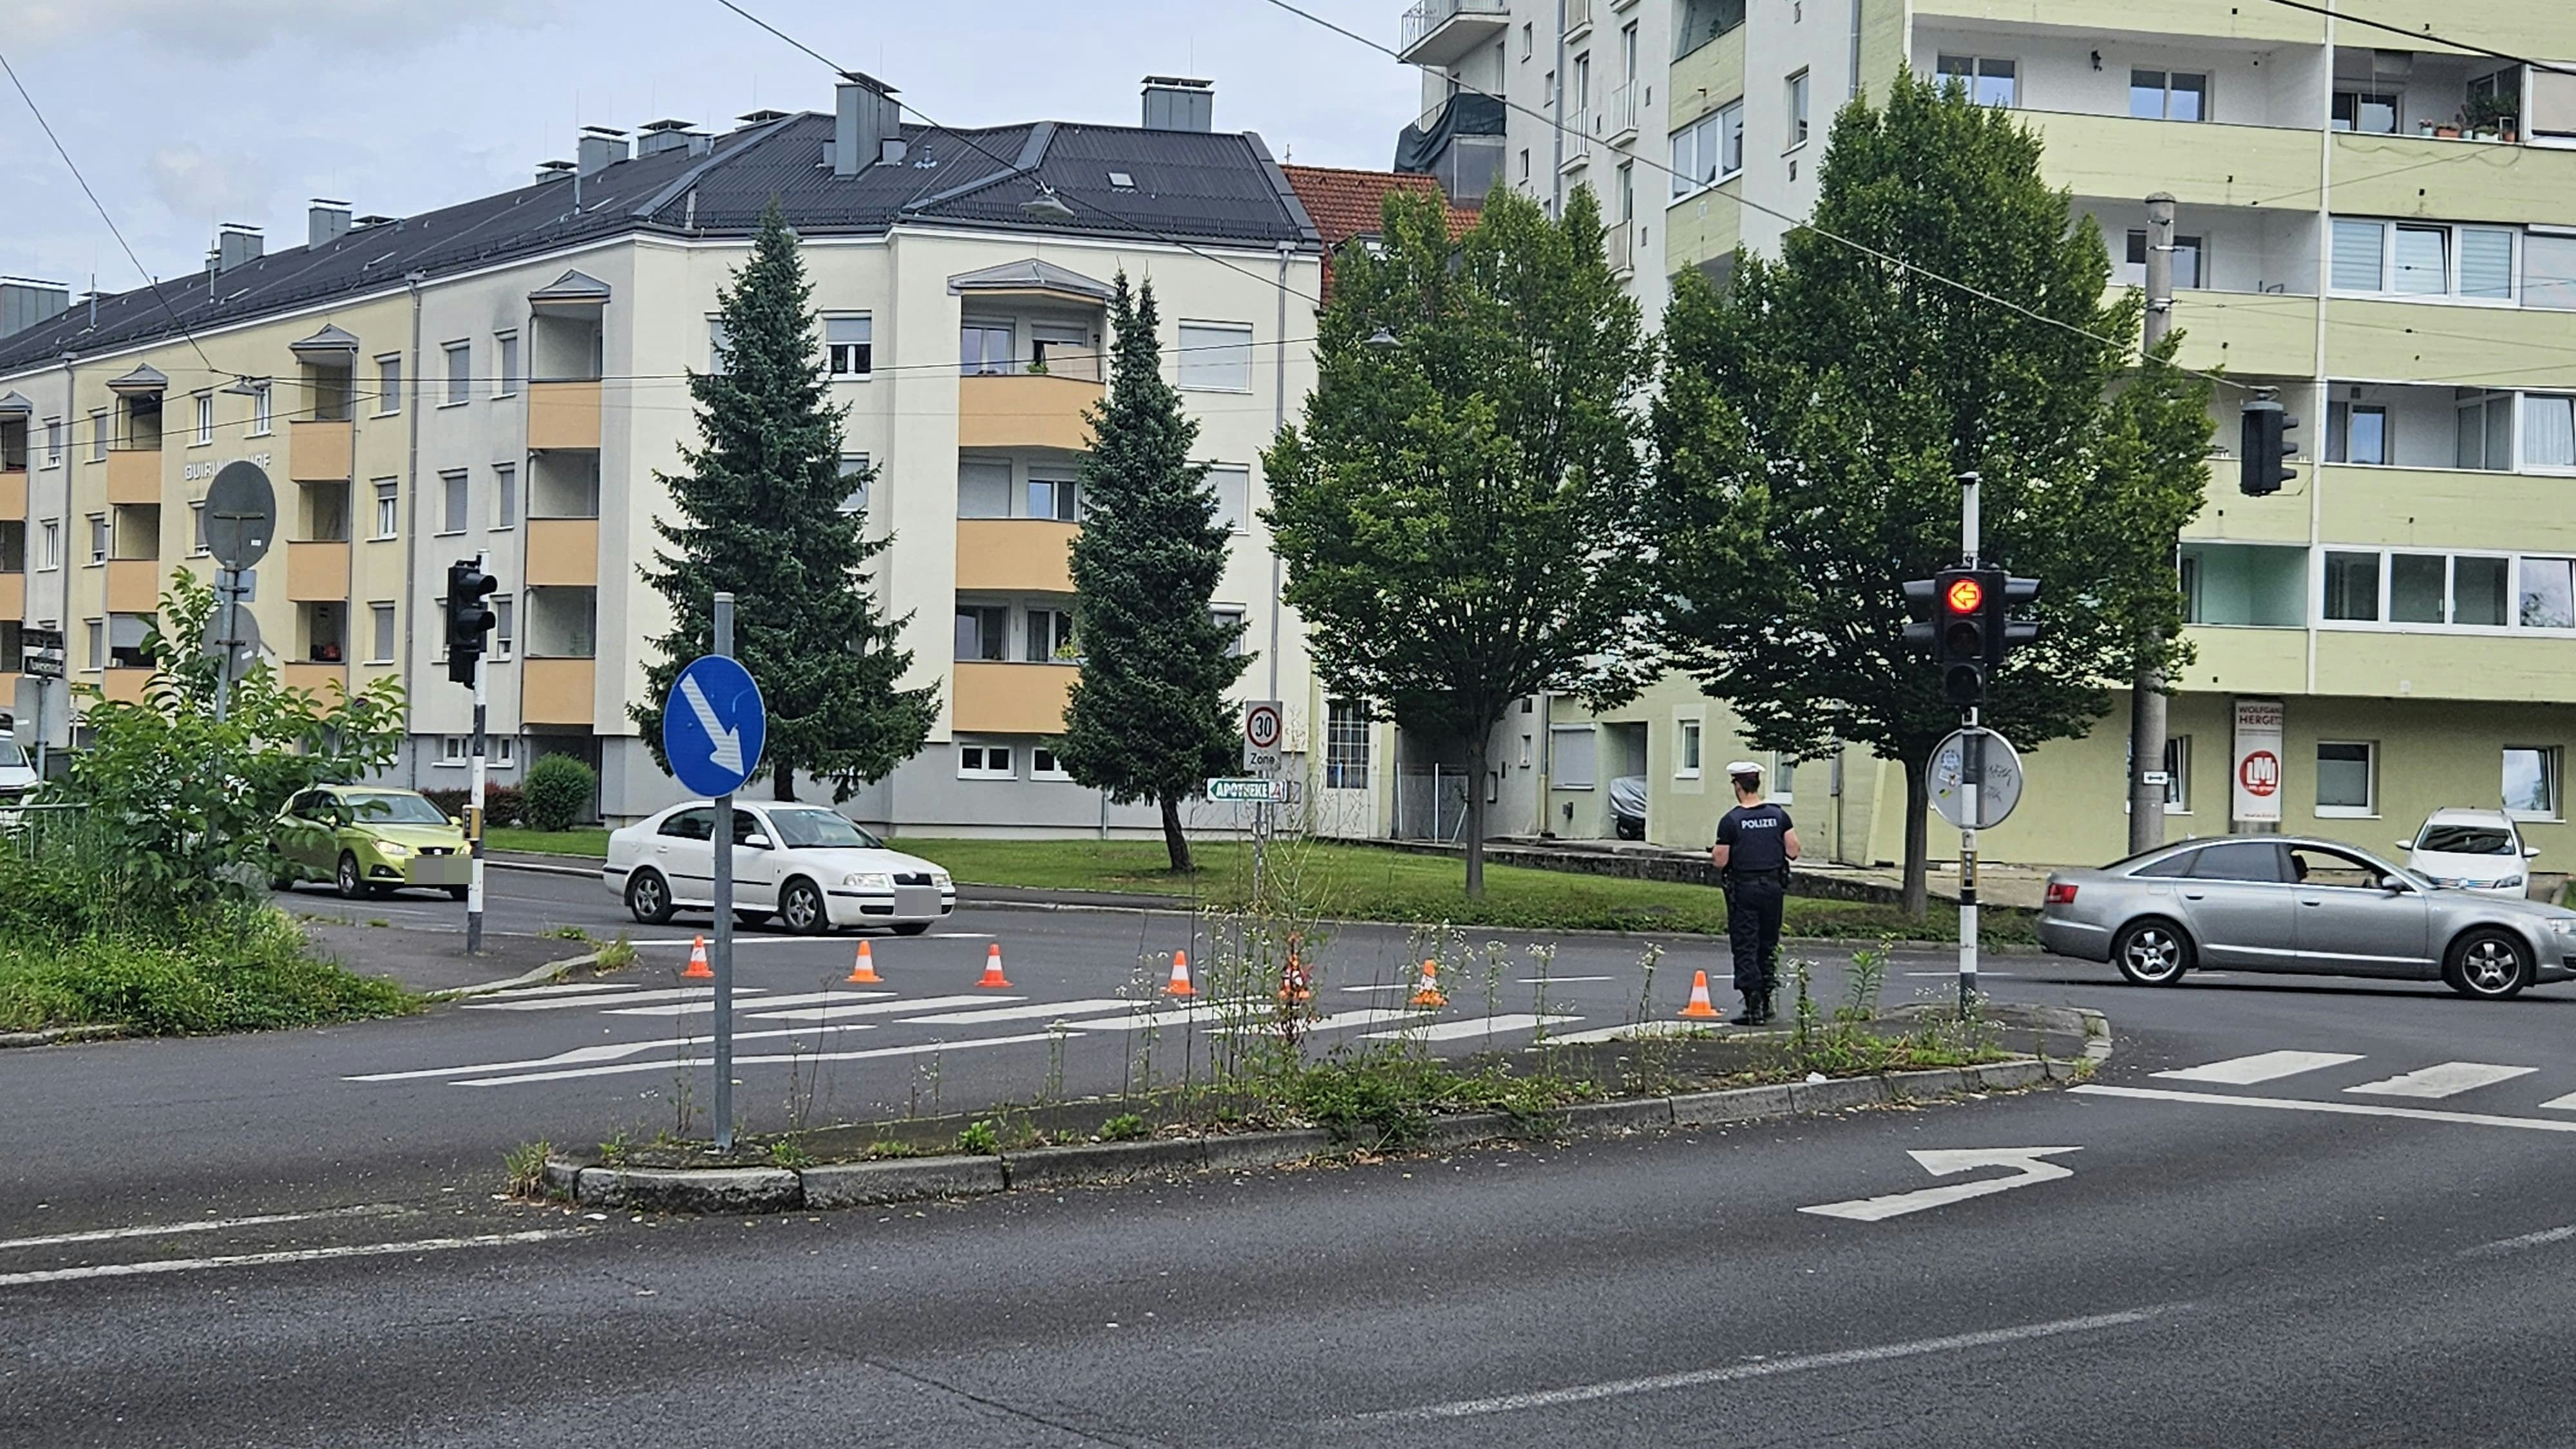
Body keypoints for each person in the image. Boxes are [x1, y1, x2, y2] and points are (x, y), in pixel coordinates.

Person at [1711, 761, 1799, 1025]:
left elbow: (1720, 861)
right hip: (1773, 889)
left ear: (1738, 786)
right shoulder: (1779, 816)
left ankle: (1753, 1006)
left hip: (1744, 890)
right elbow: (1793, 851)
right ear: (1757, 784)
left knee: (1746, 944)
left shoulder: (1731, 821)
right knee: (1768, 943)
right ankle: (1768, 1000)